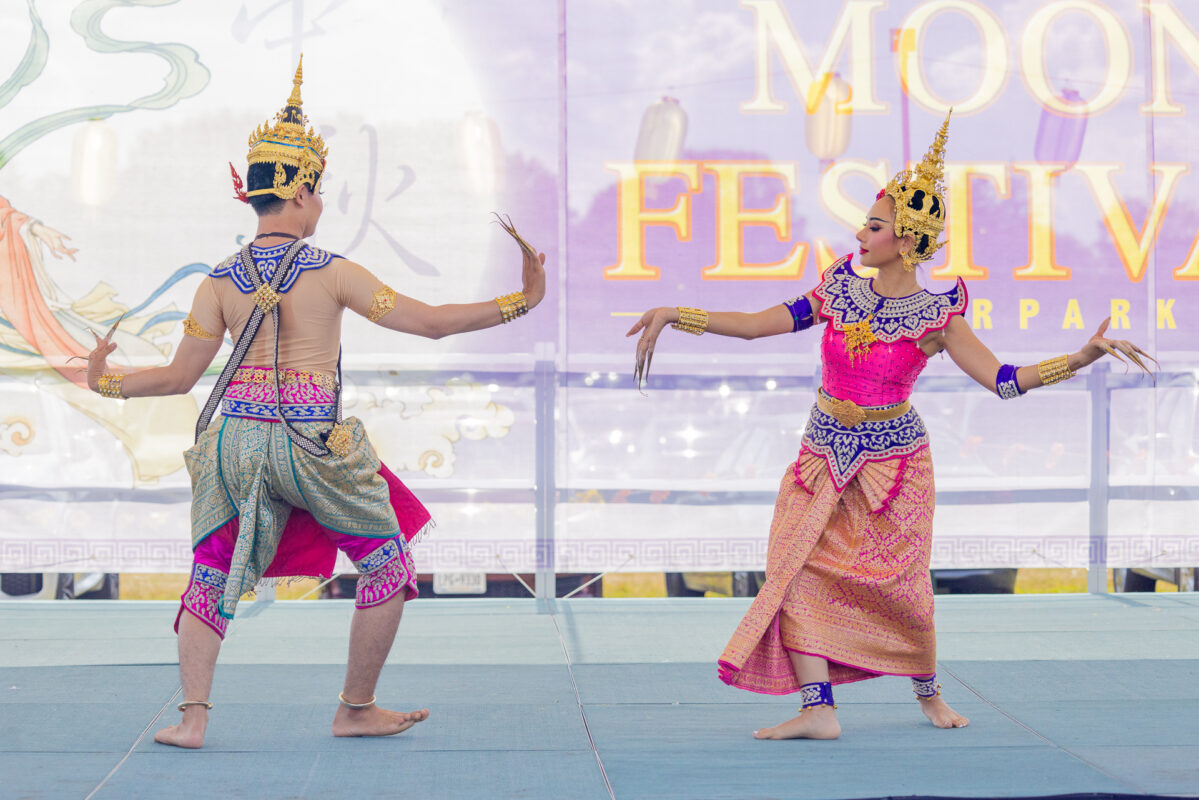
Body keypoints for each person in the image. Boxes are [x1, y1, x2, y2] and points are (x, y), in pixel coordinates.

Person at [626, 111, 1153, 740]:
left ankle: (928, 693)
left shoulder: (937, 315)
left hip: (894, 467)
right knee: (791, 567)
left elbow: (1005, 380)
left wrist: (1081, 357)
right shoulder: (837, 292)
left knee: (899, 586)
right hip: (822, 452)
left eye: (873, 225)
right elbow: (755, 323)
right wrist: (673, 314)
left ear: (905, 239)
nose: (860, 232)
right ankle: (818, 709)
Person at [83, 58, 546, 749]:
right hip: (311, 445)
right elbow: (432, 322)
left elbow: (180, 377)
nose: (321, 204)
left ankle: (192, 719)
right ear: (298, 193)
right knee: (387, 565)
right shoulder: (333, 272)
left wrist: (106, 382)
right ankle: (355, 707)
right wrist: (520, 301)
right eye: (319, 191)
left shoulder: (219, 281)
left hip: (235, 443)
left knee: (211, 572)